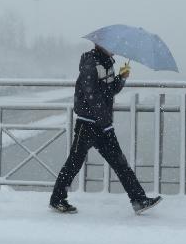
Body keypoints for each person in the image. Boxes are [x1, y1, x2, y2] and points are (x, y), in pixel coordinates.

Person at [49, 44, 162, 215]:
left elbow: (108, 91)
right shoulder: (90, 63)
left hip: (102, 124)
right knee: (74, 162)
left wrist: (121, 78)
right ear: (101, 46)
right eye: (112, 46)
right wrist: (105, 122)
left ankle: (139, 200)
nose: (115, 50)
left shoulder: (107, 63)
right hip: (87, 124)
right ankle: (57, 199)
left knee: (120, 162)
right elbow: (92, 96)